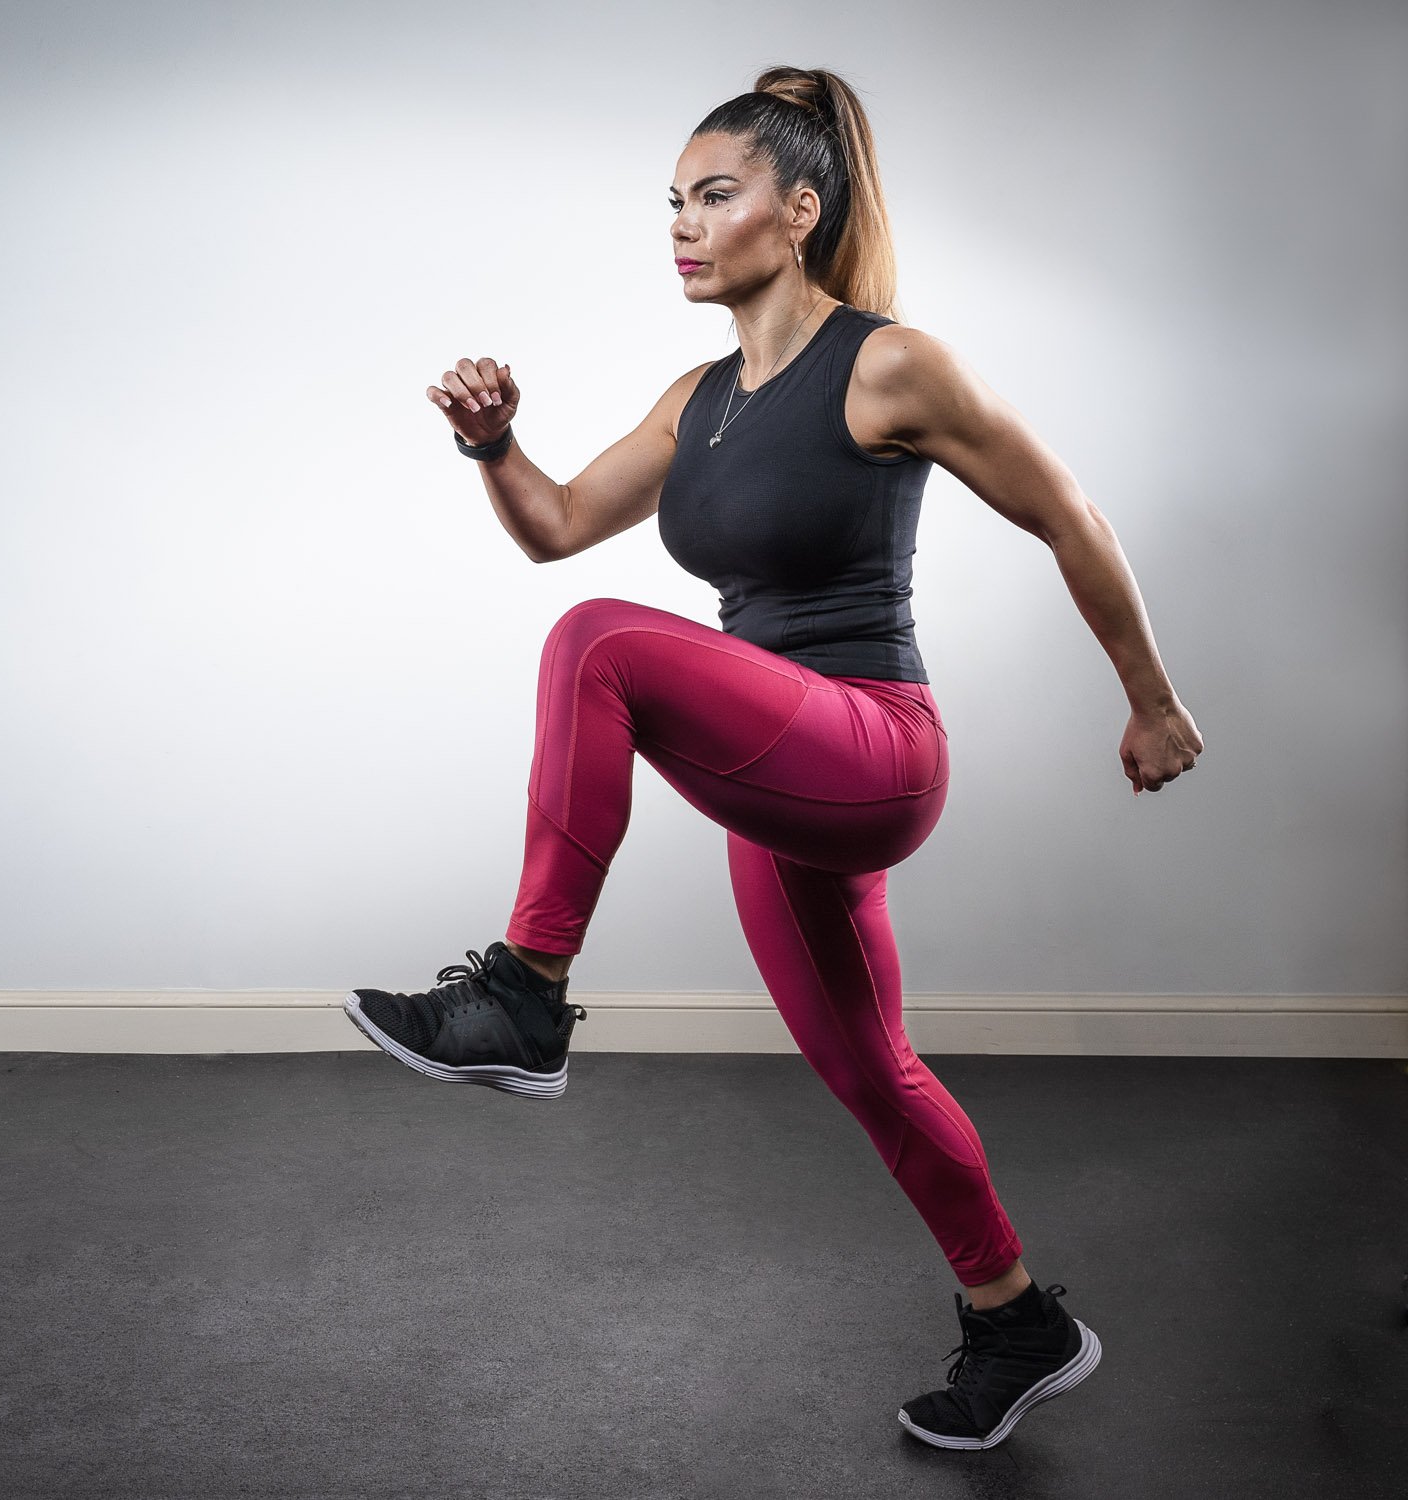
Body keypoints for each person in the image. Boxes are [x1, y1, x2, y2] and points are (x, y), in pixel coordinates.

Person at [343, 64, 1204, 1450]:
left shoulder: (887, 363)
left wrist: (1152, 701)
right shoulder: (700, 399)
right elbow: (558, 522)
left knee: (601, 646)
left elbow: (1070, 510)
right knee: (872, 1068)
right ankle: (1015, 1317)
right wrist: (495, 447)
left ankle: (526, 992)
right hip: (779, 774)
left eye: (714, 194)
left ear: (798, 210)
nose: (683, 224)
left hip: (873, 747)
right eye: (672, 202)